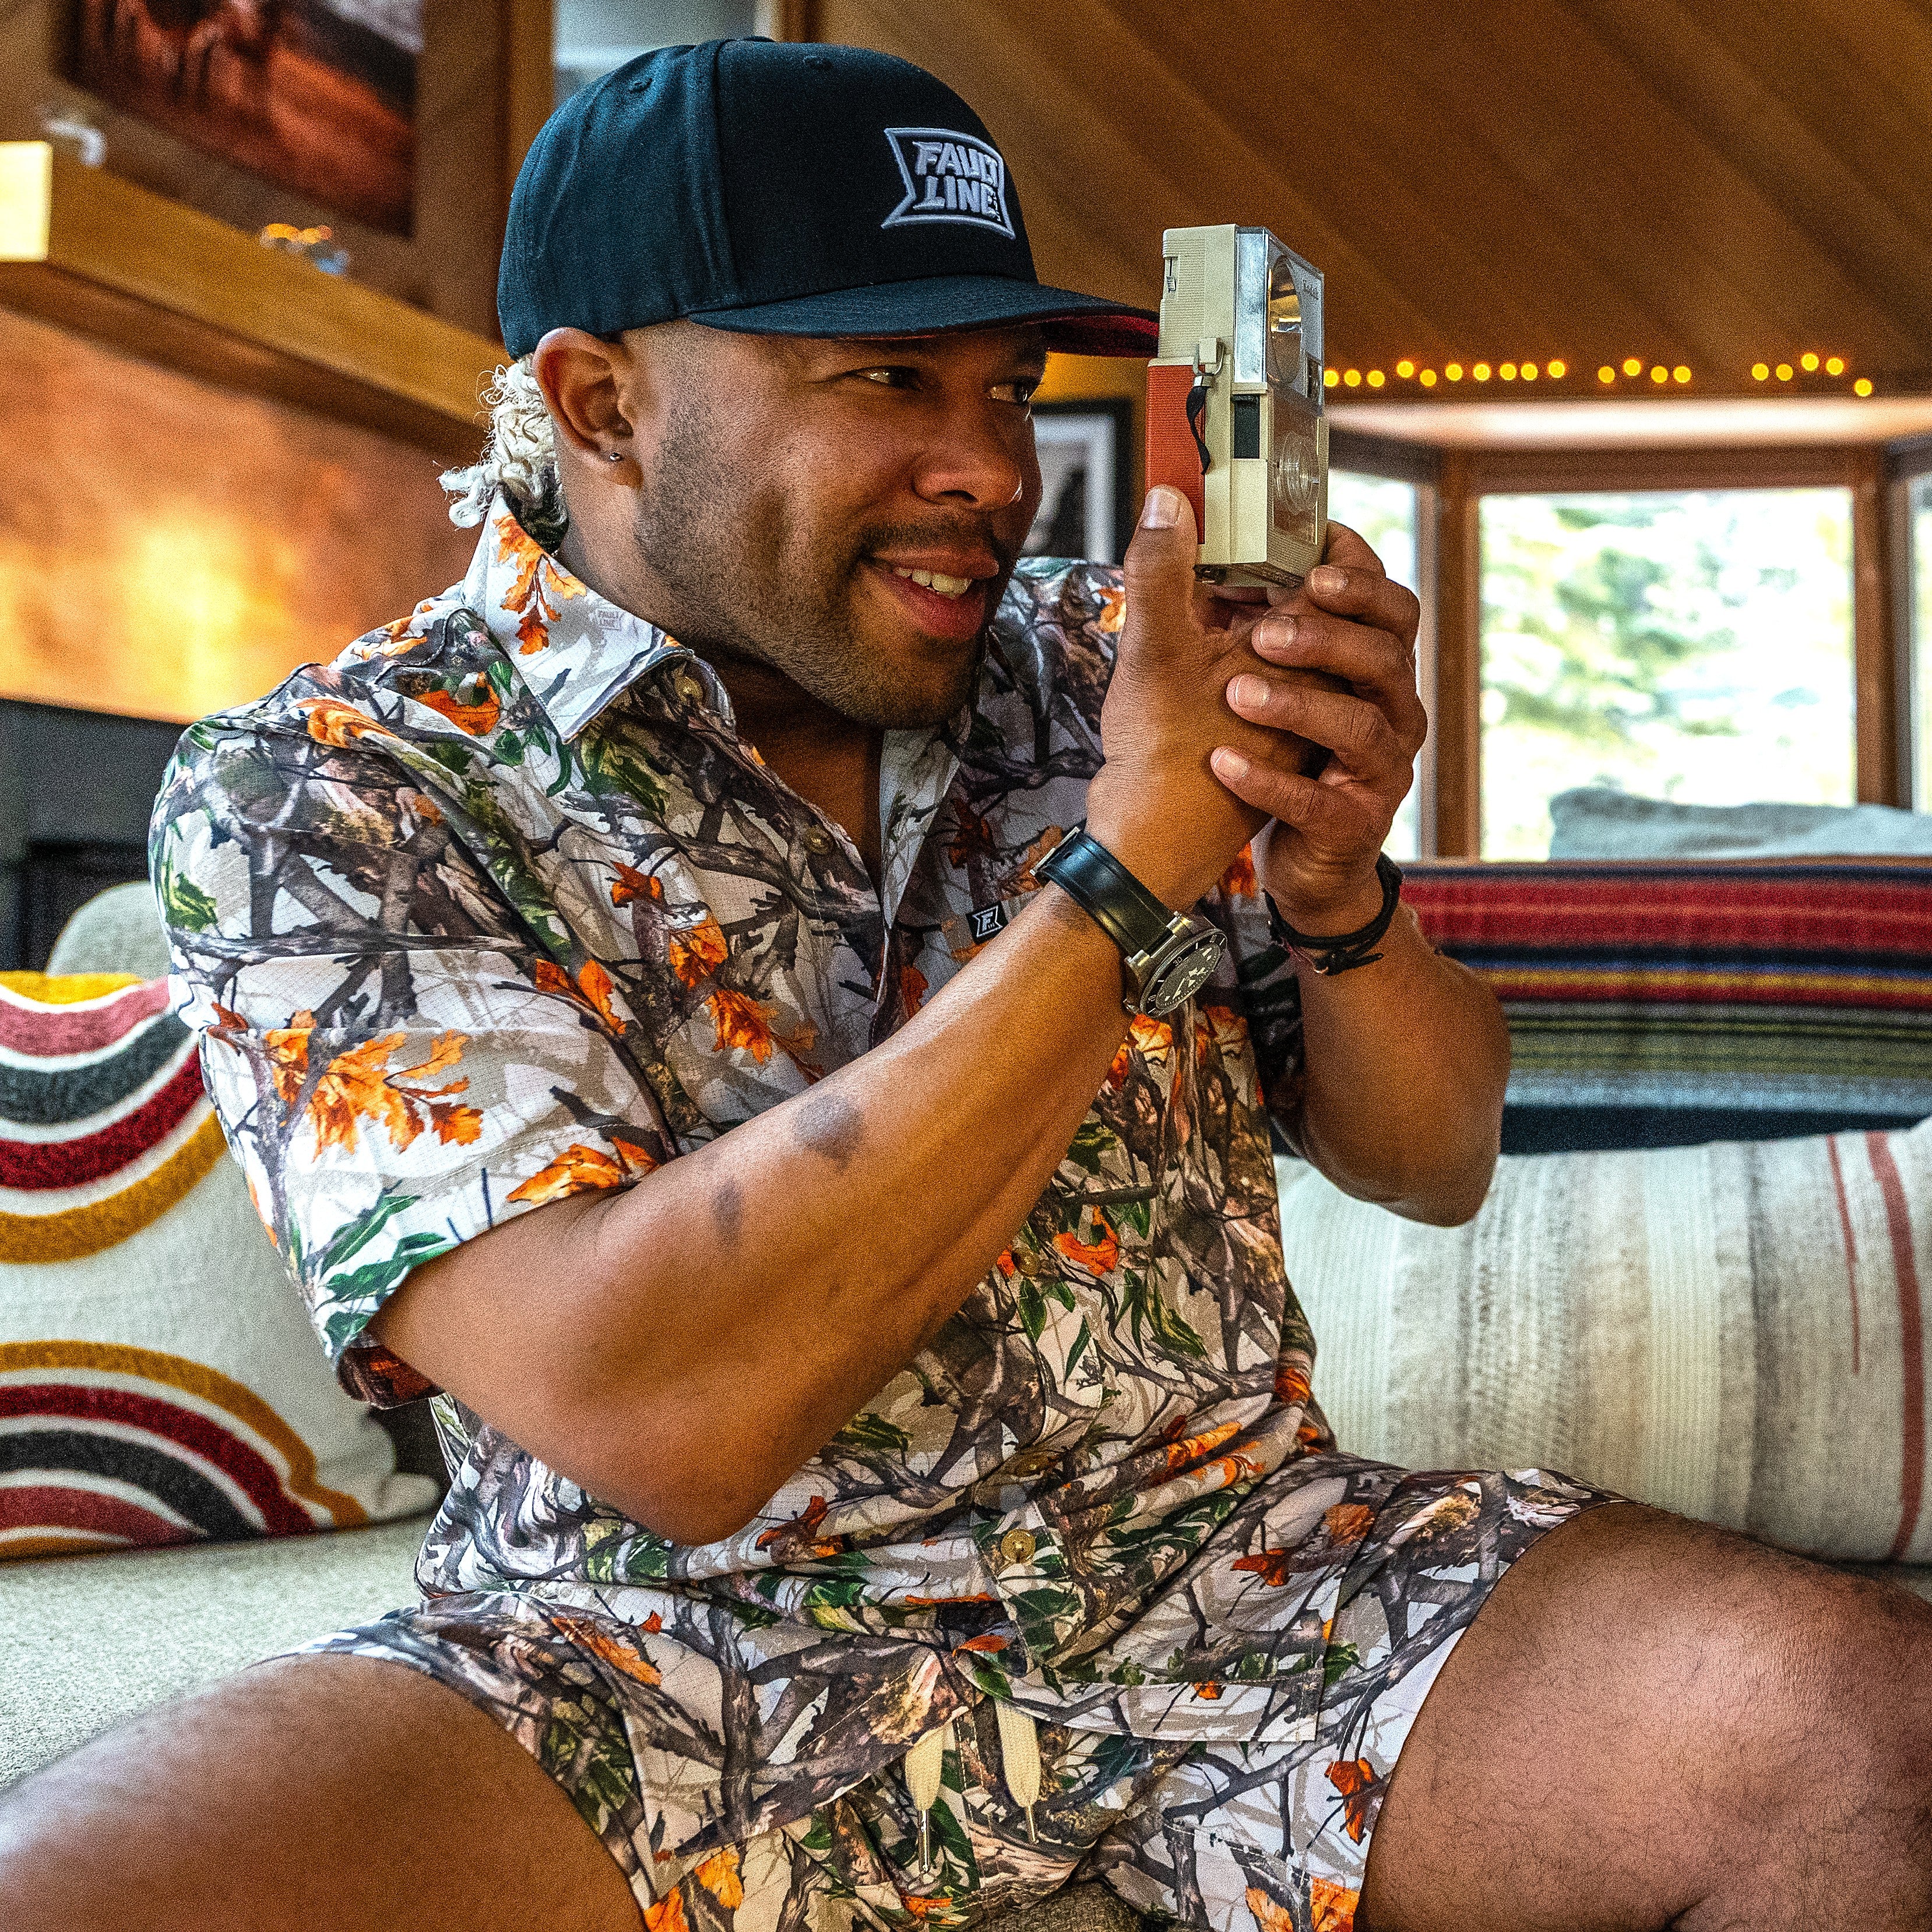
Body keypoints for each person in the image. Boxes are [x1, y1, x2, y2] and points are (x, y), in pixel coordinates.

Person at [5, 37, 1931, 1932]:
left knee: (1869, 1737)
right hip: (647, 1663)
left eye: (1009, 386)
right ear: (598, 403)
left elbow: (1429, 1156)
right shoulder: (332, 785)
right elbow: (658, 1410)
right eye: (887, 379)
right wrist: (1125, 873)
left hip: (1239, 1582)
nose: (990, 469)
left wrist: (1338, 890)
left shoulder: (1110, 655)